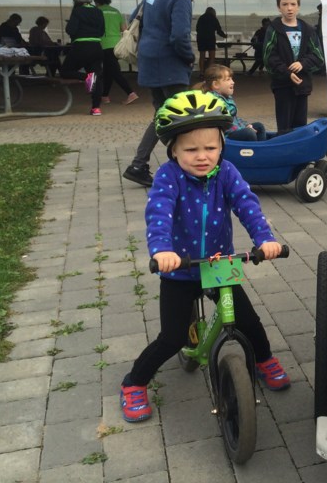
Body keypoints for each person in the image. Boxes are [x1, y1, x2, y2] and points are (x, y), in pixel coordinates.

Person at [119, 90, 291, 423]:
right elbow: (159, 215)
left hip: (218, 265)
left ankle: (263, 360)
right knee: (173, 337)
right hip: (179, 270)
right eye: (191, 149)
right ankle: (134, 382)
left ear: (222, 147)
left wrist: (265, 239)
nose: (202, 156)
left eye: (210, 148)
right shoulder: (169, 178)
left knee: (248, 321)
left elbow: (247, 205)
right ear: (172, 149)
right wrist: (162, 251)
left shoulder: (226, 173)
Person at [123, 0, 206, 188]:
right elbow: (180, 36)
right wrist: (189, 58)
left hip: (149, 63)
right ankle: (185, 169)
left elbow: (133, 18)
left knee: (163, 116)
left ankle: (139, 165)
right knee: (183, 118)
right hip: (170, 65)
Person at [260, 0, 325, 135]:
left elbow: (318, 57)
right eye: (285, 4)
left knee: (300, 127)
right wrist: (287, 72)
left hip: (302, 85)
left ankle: (299, 157)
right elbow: (268, 58)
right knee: (284, 128)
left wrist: (303, 64)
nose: (289, 8)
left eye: (293, 4)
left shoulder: (308, 30)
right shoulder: (274, 29)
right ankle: (284, 156)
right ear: (279, 7)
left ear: (298, 6)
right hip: (282, 85)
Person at [61, 0, 105, 116]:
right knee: (96, 76)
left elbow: (71, 30)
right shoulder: (98, 11)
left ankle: (86, 77)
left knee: (65, 71)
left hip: (81, 46)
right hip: (96, 46)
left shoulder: (77, 11)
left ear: (76, 0)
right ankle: (96, 108)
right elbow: (102, 31)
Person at [92, 0, 140, 105]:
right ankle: (105, 96)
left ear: (97, 1)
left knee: (114, 71)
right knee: (109, 70)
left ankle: (130, 93)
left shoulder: (96, 11)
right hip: (116, 44)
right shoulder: (116, 11)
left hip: (104, 44)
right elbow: (123, 29)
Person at [201, 65, 267, 141]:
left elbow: (235, 118)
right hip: (225, 136)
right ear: (216, 85)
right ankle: (253, 151)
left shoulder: (227, 97)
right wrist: (245, 128)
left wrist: (246, 125)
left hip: (234, 130)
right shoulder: (214, 101)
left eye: (232, 79)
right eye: (228, 79)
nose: (233, 82)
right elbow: (225, 123)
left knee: (259, 126)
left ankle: (261, 148)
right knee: (249, 133)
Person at [196, 6, 227, 74]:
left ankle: (201, 72)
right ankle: (209, 73)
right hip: (210, 39)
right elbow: (219, 30)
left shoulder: (201, 18)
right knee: (212, 57)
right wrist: (224, 36)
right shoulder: (213, 18)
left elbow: (197, 29)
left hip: (201, 38)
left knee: (202, 56)